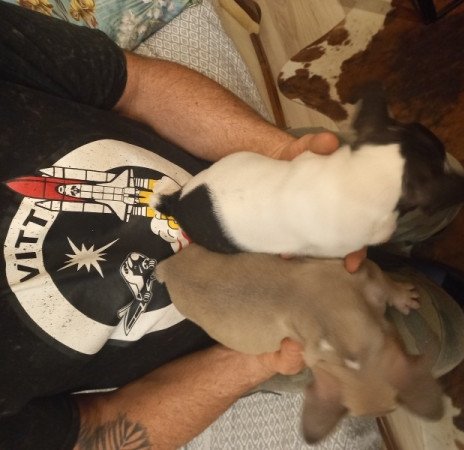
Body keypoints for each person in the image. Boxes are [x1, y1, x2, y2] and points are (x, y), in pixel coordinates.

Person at [0, 3, 367, 449]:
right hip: (247, 339)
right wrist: (259, 362)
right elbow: (96, 429)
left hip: (266, 179)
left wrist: (279, 156)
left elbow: (134, 87)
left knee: (418, 190)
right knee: (429, 339)